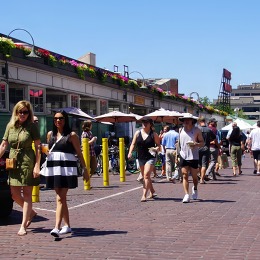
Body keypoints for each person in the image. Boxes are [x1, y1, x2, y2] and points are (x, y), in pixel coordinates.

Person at [41, 110, 89, 238]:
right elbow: (49, 149)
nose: (58, 120)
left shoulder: (72, 135)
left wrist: (85, 169)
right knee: (61, 198)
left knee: (60, 198)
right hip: (54, 168)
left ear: (65, 120)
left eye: (61, 118)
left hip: (67, 168)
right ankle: (67, 225)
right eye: (56, 118)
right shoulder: (50, 134)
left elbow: (79, 153)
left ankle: (56, 227)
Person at [0, 100, 41, 236]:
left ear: (29, 113)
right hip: (13, 161)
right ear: (16, 112)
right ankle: (31, 212)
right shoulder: (10, 126)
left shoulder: (32, 126)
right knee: (14, 194)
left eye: (25, 112)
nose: (22, 114)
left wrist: (37, 165)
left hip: (28, 160)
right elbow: (4, 145)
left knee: (27, 193)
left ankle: (23, 225)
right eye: (20, 111)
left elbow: (39, 147)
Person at [128, 116, 161, 202]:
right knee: (145, 176)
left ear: (150, 124)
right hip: (141, 157)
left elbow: (159, 146)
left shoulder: (154, 134)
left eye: (146, 122)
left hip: (150, 157)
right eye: (143, 122)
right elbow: (133, 144)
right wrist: (130, 152)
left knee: (146, 175)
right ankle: (152, 191)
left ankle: (144, 195)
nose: (144, 124)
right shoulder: (137, 133)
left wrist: (157, 149)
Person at [178, 113, 204, 203]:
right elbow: (179, 143)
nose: (186, 121)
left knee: (194, 177)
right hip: (183, 155)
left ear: (192, 121)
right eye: (185, 119)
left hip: (194, 156)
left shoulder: (197, 130)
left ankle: (195, 188)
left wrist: (196, 144)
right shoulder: (180, 130)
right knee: (184, 174)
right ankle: (186, 194)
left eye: (188, 119)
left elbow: (202, 143)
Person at [197, 117, 216, 184]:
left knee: (199, 164)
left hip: (198, 148)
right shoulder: (208, 130)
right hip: (206, 148)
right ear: (204, 121)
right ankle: (202, 179)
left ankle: (200, 176)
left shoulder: (197, 129)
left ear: (199, 121)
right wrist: (209, 140)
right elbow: (214, 137)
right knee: (204, 164)